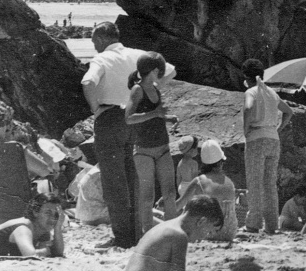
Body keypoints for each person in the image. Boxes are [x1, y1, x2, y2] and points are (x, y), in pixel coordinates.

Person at [82, 22, 176, 249]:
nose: (94, 45)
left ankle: (122, 237)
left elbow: (87, 81)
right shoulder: (138, 55)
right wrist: (151, 88)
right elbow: (171, 70)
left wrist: (96, 108)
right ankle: (136, 233)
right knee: (135, 177)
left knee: (114, 181)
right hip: (137, 119)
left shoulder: (102, 59)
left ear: (103, 39)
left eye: (94, 40)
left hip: (111, 117)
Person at [125, 52, 177, 238]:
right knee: (147, 196)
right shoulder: (137, 90)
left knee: (170, 193)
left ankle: (172, 232)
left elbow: (155, 114)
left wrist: (167, 117)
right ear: (155, 70)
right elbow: (129, 118)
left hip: (162, 147)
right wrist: (156, 113)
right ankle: (147, 234)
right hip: (143, 151)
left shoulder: (155, 88)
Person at [240, 58, 294, 235]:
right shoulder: (271, 92)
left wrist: (246, 129)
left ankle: (253, 223)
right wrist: (278, 128)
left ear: (247, 77)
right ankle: (272, 224)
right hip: (273, 139)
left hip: (257, 138)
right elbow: (288, 111)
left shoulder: (251, 91)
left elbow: (248, 108)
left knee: (255, 182)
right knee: (270, 184)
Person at [175, 140, 238, 240]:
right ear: (221, 162)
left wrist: (166, 205)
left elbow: (179, 205)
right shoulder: (229, 181)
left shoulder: (199, 181)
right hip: (230, 233)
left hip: (209, 233)